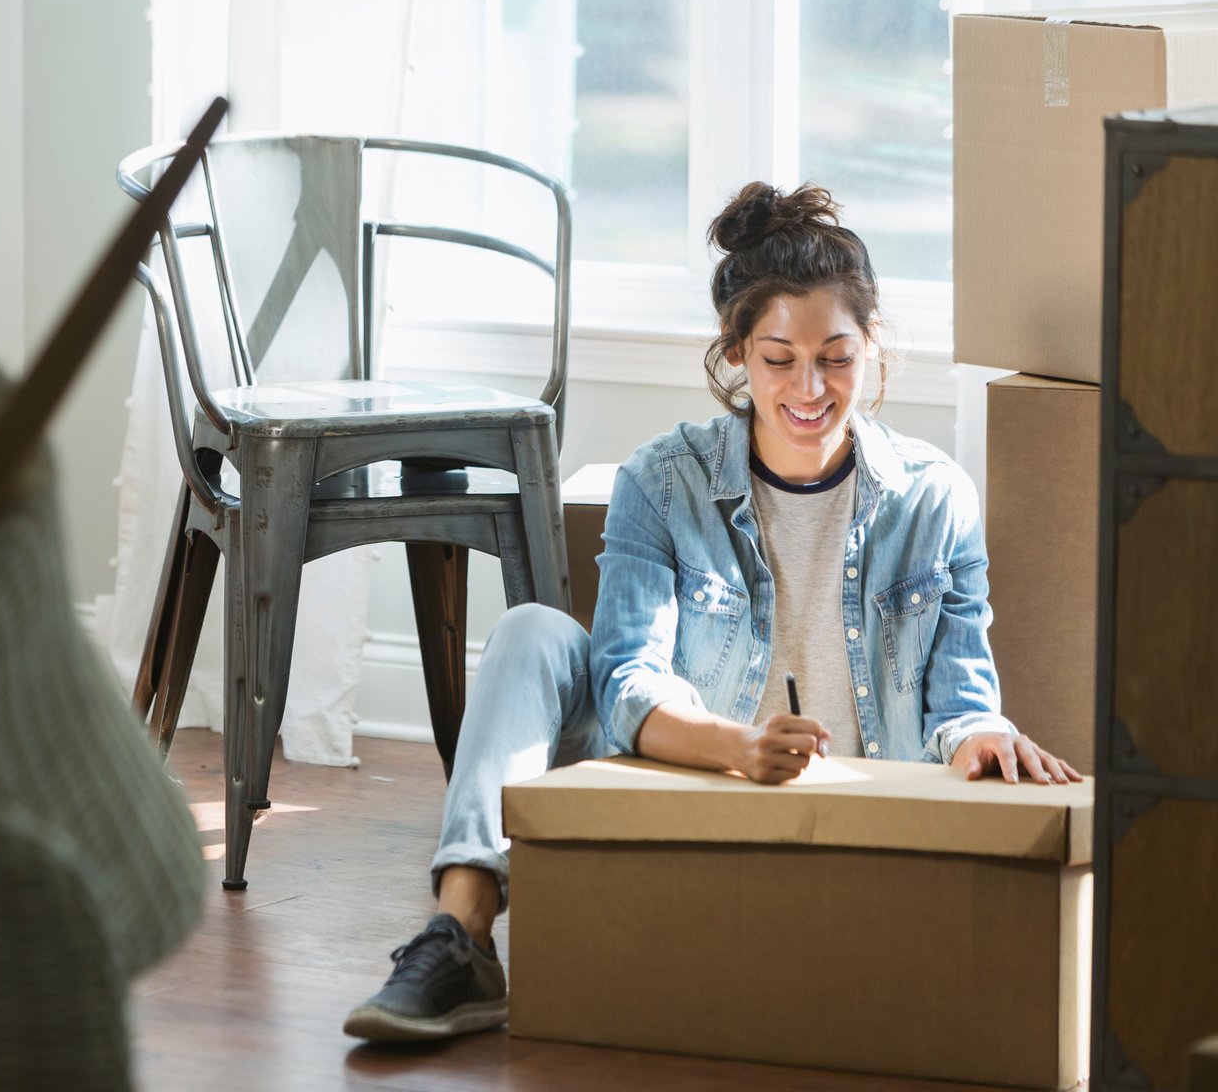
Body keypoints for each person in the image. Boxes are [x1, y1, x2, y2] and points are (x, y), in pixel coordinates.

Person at [341, 181, 1082, 1044]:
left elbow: (959, 703)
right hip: (692, 775)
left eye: (836, 355)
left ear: (872, 345)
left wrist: (982, 734)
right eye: (778, 358)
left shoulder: (937, 499)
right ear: (736, 354)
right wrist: (741, 748)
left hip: (856, 813)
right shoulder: (663, 481)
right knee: (533, 632)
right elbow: (626, 682)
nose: (810, 387)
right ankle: (460, 939)